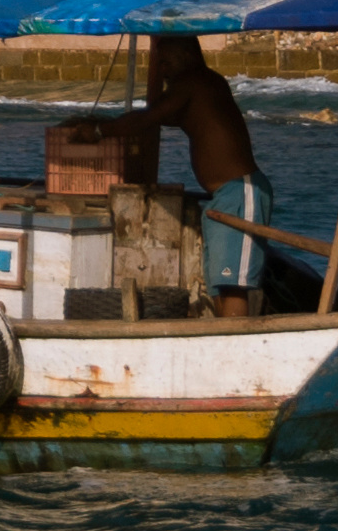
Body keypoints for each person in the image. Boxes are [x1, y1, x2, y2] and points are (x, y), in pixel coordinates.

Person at [107, 33, 269, 318]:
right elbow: (159, 116)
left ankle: (232, 344)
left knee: (232, 284)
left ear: (187, 55)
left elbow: (148, 118)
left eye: (167, 62)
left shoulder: (195, 82)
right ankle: (223, 338)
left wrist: (100, 130)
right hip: (224, 196)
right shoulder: (198, 88)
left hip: (240, 192)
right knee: (219, 282)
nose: (163, 70)